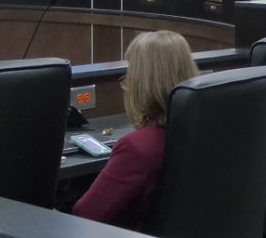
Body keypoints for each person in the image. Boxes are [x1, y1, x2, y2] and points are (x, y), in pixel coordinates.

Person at [73, 30, 199, 230]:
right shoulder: (206, 133)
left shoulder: (138, 147)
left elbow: (85, 214)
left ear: (142, 83)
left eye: (130, 74)